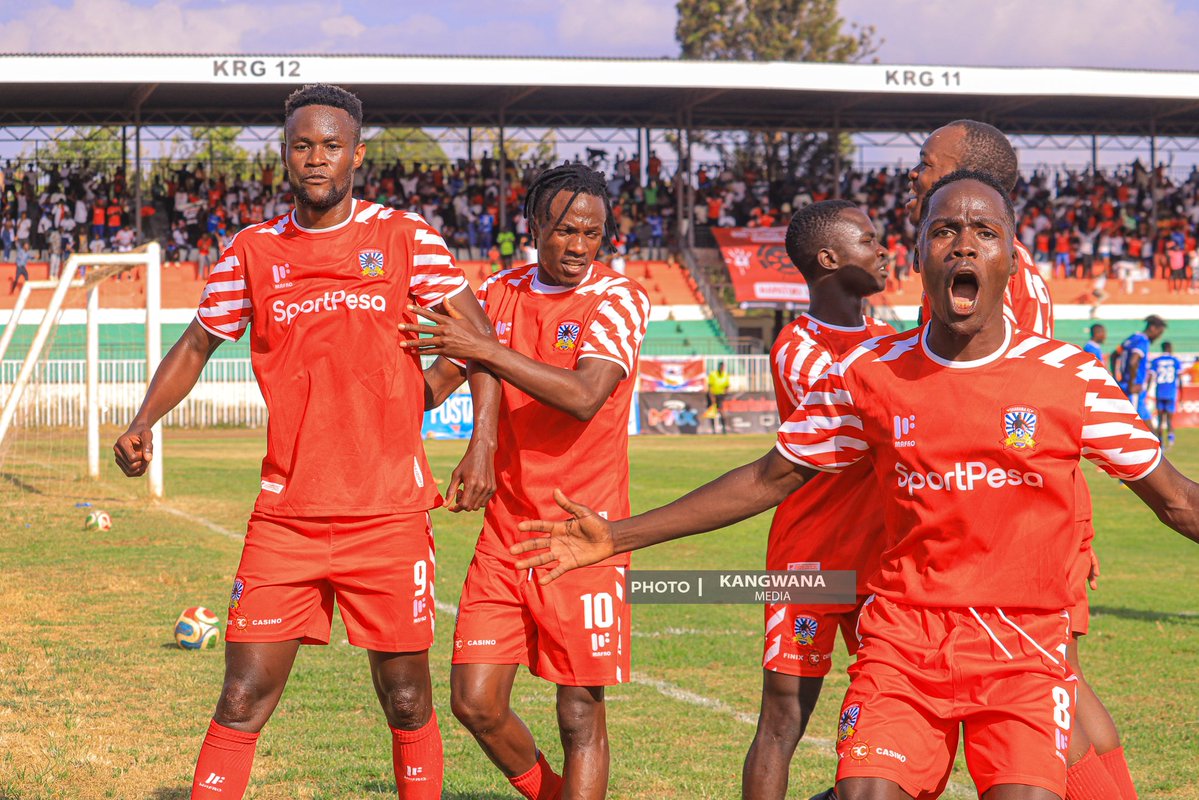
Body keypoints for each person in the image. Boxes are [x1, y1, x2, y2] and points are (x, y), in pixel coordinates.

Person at [513, 173, 1198, 800]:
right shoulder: (867, 374)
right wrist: (617, 536)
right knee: (858, 785)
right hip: (902, 639)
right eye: (943, 231)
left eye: (984, 232)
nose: (964, 245)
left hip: (1021, 646)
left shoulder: (1073, 377)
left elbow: (1176, 500)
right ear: (920, 256)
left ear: (1011, 260)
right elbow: (769, 476)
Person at [112, 83, 500, 800]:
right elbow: (196, 344)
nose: (316, 158)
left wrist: (482, 443)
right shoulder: (252, 250)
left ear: (357, 154)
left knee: (406, 700)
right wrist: (143, 421)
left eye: (330, 145)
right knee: (240, 697)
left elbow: (480, 341)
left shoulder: (405, 238)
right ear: (285, 155)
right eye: (302, 145)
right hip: (285, 517)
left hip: (387, 513)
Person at [399, 163, 650, 800]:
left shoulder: (619, 299)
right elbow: (433, 386)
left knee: (579, 713)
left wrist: (485, 349)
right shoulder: (497, 293)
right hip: (506, 532)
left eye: (592, 233)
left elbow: (585, 396)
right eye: (565, 230)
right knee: (474, 700)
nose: (579, 246)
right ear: (534, 226)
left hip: (583, 536)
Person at [910, 122, 1133, 800]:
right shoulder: (995, 260)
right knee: (1062, 680)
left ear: (965, 172)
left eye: (926, 163)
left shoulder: (995, 276)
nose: (914, 175)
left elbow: (1016, 409)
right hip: (1024, 502)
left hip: (1017, 512)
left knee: (1042, 688)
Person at [744, 200, 893, 800]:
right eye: (870, 240)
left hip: (882, 562)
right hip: (811, 560)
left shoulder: (892, 341)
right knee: (783, 720)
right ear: (829, 258)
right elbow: (862, 429)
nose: (884, 250)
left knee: (890, 720)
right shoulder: (797, 346)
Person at [1118, 314, 1168, 422]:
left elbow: (1114, 355)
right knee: (1136, 423)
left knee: (1144, 421)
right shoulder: (1143, 341)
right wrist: (1131, 384)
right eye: (1159, 332)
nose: (1159, 336)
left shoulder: (1132, 338)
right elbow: (1133, 362)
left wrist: (1116, 378)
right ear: (1152, 328)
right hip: (1134, 388)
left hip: (1126, 386)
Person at [1151, 341, 1182, 448]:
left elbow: (1151, 377)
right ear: (1169, 348)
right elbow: (1179, 379)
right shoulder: (1175, 361)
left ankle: (1161, 442)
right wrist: (1181, 393)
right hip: (1171, 393)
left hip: (1160, 392)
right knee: (1169, 419)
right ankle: (1171, 439)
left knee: (1160, 420)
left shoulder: (1156, 361)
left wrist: (1147, 390)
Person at [706, 360, 731, 434]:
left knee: (722, 411)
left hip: (721, 395)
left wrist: (725, 393)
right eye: (721, 366)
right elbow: (710, 386)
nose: (722, 368)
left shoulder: (725, 375)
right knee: (712, 412)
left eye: (723, 367)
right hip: (712, 395)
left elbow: (727, 386)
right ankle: (713, 429)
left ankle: (724, 429)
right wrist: (712, 397)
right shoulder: (713, 374)